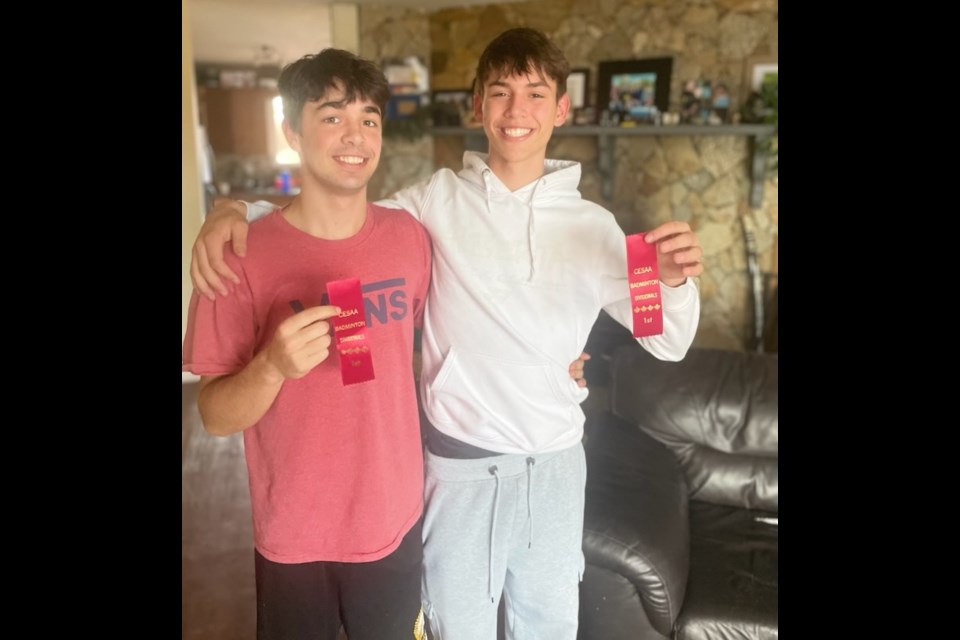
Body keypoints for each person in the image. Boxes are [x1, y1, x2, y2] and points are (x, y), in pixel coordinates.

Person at [192, 28, 702, 640]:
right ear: (477, 107)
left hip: (556, 468)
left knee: (550, 628)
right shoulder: (434, 202)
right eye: (500, 93)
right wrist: (235, 211)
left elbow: (665, 341)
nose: (518, 112)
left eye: (536, 94)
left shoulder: (597, 228)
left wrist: (671, 283)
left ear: (562, 109)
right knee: (456, 628)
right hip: (459, 468)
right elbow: (340, 210)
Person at [182, 49, 433, 640]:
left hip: (395, 521)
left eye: (369, 119)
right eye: (332, 117)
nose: (356, 136)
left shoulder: (410, 239)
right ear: (291, 130)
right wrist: (271, 366)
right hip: (295, 535)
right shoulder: (237, 257)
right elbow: (214, 416)